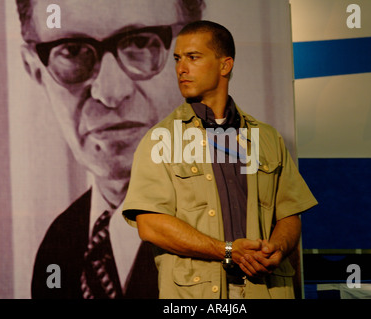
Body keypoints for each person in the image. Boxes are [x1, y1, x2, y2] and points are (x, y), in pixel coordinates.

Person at [16, 0, 204, 298]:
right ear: (35, 69)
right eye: (72, 51)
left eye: (141, 43)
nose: (111, 92)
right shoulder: (58, 245)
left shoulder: (250, 230)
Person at [122, 20, 318, 299]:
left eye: (193, 57)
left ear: (225, 65)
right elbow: (150, 224)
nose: (181, 68)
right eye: (177, 59)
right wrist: (227, 250)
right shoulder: (160, 139)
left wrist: (275, 250)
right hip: (198, 296)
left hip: (267, 290)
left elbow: (289, 213)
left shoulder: (267, 138)